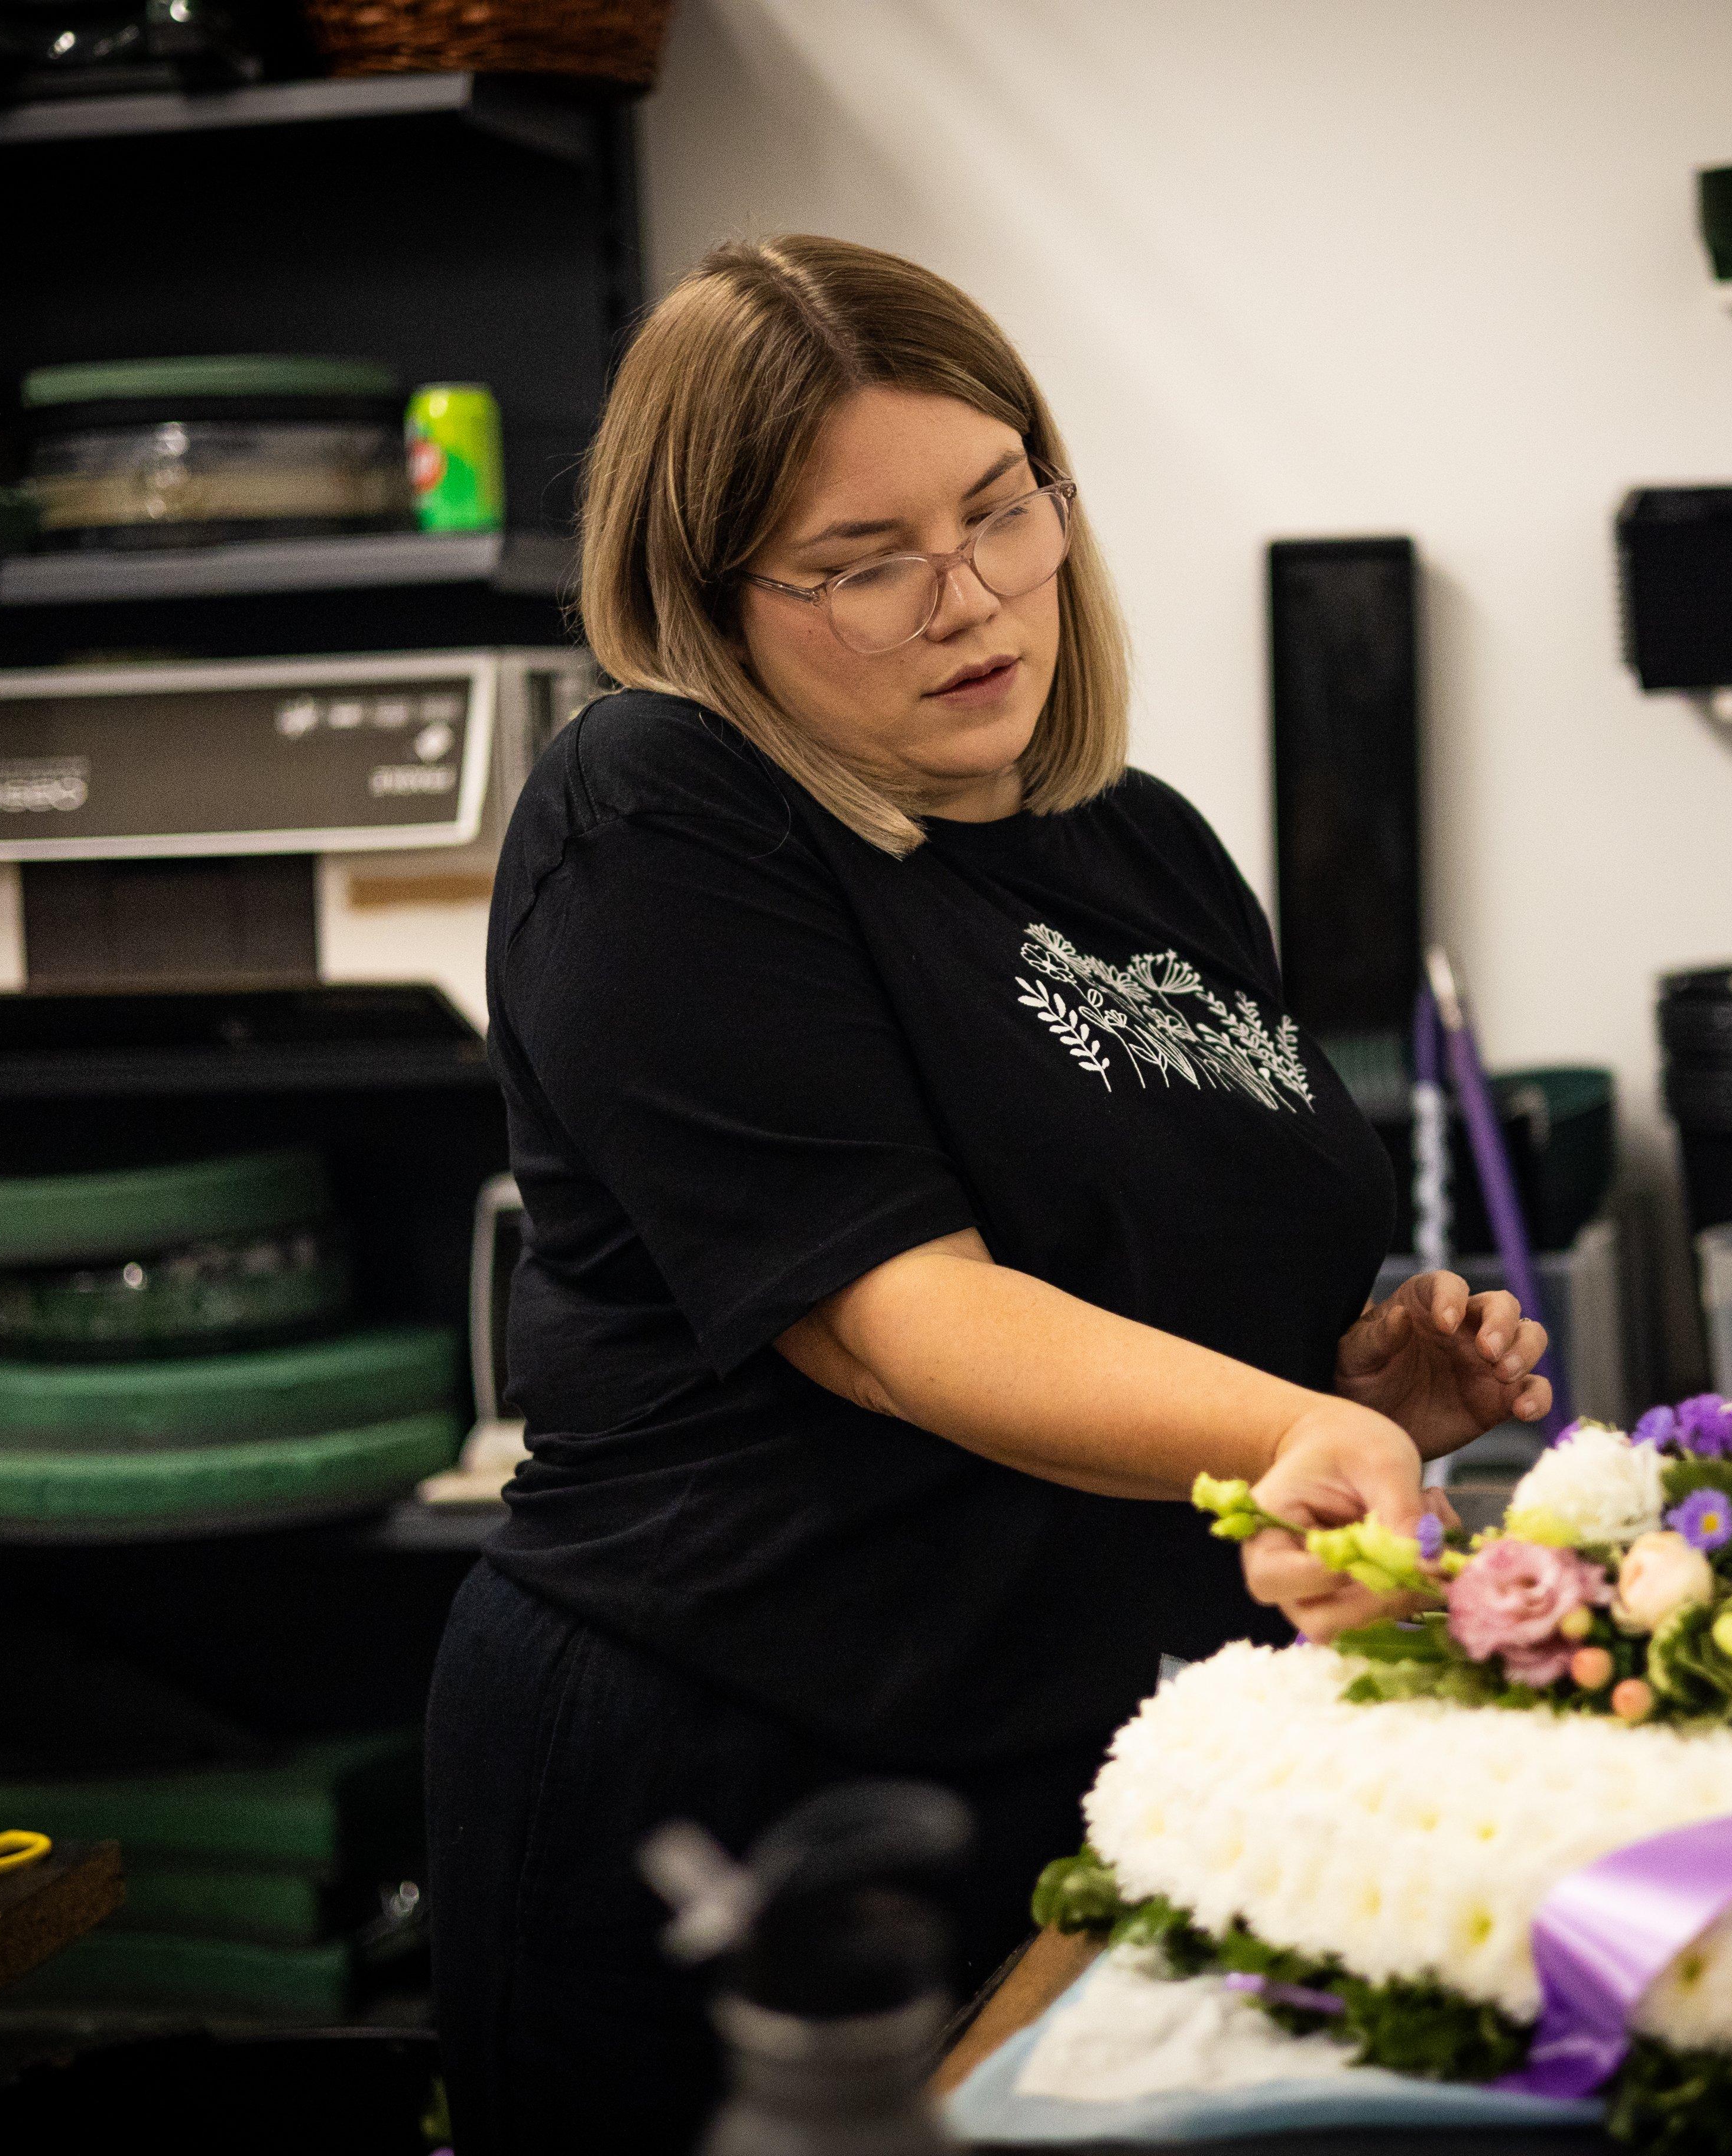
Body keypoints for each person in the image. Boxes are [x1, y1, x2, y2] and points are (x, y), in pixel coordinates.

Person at [424, 233, 1552, 2154]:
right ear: (709, 597)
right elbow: (895, 1318)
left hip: (1072, 1763)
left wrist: (1337, 1392)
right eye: (863, 561)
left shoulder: (1143, 843)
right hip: (735, 1775)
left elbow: (1130, 1284)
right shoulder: (657, 810)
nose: (971, 598)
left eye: (1000, 509)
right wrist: (1281, 1433)